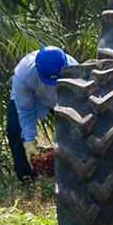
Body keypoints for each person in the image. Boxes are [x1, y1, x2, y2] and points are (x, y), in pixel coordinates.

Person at [7, 46, 70, 182]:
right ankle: (27, 178)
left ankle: (69, 174)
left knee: (72, 133)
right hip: (33, 97)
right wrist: (29, 140)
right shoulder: (23, 74)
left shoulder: (75, 70)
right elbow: (25, 110)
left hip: (62, 99)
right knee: (15, 131)